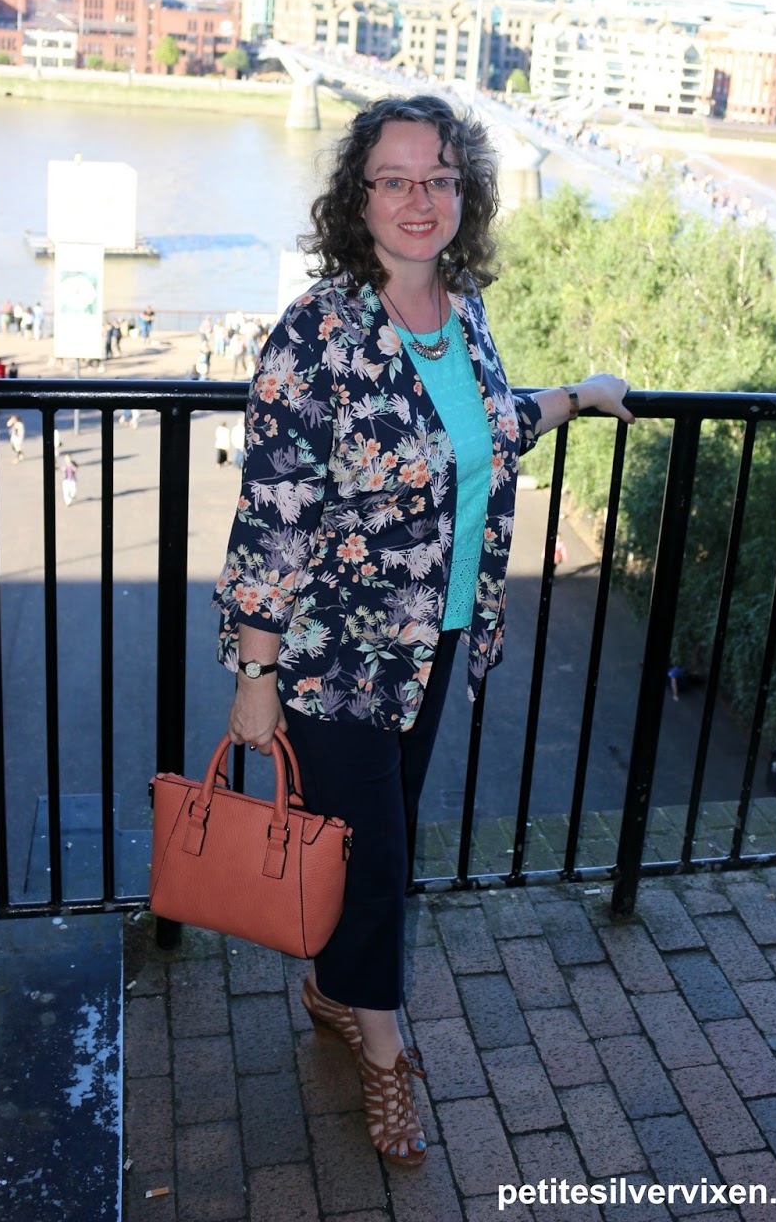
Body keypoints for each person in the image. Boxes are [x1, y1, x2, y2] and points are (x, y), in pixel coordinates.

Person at [214, 94, 632, 1170]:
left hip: (437, 641)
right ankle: (384, 1051)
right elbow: (273, 511)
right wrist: (255, 672)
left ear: (464, 194)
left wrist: (578, 395)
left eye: (439, 178)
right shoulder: (317, 331)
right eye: (394, 179)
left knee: (368, 837)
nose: (419, 198)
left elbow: (485, 429)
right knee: (380, 857)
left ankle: (330, 988)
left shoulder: (465, 310)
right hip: (335, 661)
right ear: (356, 198)